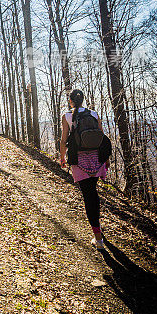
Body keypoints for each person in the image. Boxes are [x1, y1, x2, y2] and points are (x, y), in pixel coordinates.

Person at [60, 89, 109, 250]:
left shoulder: (67, 116)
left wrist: (62, 158)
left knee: (88, 196)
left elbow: (63, 140)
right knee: (93, 193)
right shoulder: (93, 114)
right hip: (96, 159)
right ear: (83, 100)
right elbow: (102, 137)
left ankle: (98, 238)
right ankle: (98, 229)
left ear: (70, 101)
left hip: (79, 160)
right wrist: (106, 159)